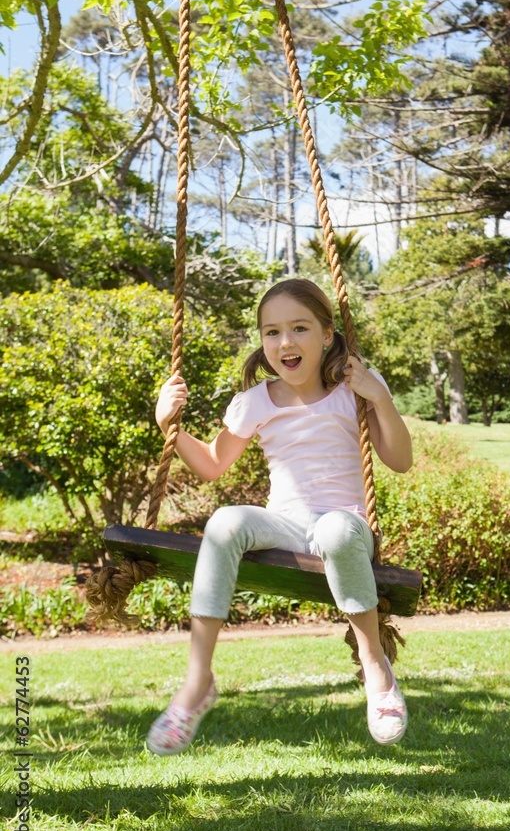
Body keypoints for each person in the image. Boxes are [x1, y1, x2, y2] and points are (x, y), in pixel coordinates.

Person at [146, 277, 413, 756]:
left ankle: (375, 666)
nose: (285, 342)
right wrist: (170, 427)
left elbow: (399, 459)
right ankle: (196, 682)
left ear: (327, 334)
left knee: (334, 530)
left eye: (299, 328)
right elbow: (211, 464)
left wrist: (379, 395)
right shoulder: (255, 402)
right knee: (225, 521)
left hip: (345, 525)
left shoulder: (352, 390)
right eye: (271, 332)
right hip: (285, 524)